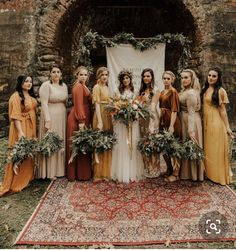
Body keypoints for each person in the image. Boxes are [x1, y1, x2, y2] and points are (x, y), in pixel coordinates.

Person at [0, 75, 37, 196]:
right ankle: (15, 182)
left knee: (28, 151)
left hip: (30, 126)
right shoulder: (15, 97)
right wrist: (20, 131)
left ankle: (26, 178)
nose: (29, 83)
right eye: (26, 81)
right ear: (20, 83)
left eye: (30, 81)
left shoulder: (29, 95)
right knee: (18, 152)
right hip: (20, 127)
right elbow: (15, 115)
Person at [201, 67, 234, 185]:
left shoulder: (220, 91)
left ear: (218, 78)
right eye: (209, 75)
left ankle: (218, 176)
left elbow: (223, 111)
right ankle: (209, 173)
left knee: (217, 150)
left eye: (214, 76)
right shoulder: (204, 89)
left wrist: (228, 127)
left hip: (216, 124)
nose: (211, 78)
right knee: (208, 150)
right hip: (206, 123)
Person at [111, 70, 144, 183]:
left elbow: (138, 105)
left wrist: (134, 111)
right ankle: (122, 172)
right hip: (121, 122)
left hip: (132, 121)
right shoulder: (117, 92)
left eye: (127, 78)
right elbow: (114, 107)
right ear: (121, 80)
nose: (126, 80)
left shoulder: (135, 91)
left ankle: (132, 172)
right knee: (122, 144)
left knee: (132, 144)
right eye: (124, 78)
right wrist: (120, 112)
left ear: (130, 79)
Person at [37, 65, 68, 180]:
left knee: (60, 140)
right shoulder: (46, 85)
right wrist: (47, 120)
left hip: (61, 115)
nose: (56, 74)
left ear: (61, 74)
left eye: (58, 72)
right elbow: (44, 103)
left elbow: (65, 102)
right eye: (53, 72)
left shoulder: (64, 86)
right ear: (50, 74)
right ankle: (50, 172)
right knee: (51, 140)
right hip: (50, 114)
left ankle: (60, 170)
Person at [66, 66, 92, 181]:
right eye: (81, 74)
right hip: (78, 118)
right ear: (77, 75)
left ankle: (83, 173)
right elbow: (78, 105)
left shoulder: (83, 85)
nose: (83, 77)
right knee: (78, 143)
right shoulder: (78, 87)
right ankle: (77, 174)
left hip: (84, 116)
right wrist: (81, 121)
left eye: (85, 75)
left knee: (83, 144)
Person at [179, 69, 204, 181]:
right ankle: (186, 172)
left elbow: (192, 112)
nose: (183, 80)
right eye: (182, 77)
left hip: (191, 121)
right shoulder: (185, 90)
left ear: (191, 79)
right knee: (185, 145)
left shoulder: (191, 93)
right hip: (184, 119)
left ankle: (194, 174)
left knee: (191, 146)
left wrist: (191, 130)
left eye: (186, 78)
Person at [159, 71, 182, 182]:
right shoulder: (162, 92)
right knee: (164, 146)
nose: (166, 80)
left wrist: (172, 126)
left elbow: (174, 110)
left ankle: (176, 172)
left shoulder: (173, 91)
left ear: (172, 79)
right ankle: (169, 168)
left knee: (174, 146)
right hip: (163, 120)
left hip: (172, 120)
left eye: (168, 78)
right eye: (164, 78)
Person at [138, 68, 160, 178]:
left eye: (148, 76)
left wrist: (152, 123)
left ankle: (154, 169)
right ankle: (146, 167)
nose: (146, 78)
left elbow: (153, 107)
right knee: (144, 142)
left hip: (152, 117)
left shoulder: (155, 90)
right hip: (142, 119)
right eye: (144, 76)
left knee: (152, 142)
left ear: (152, 77)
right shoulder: (142, 90)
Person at [92, 67, 113, 180]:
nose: (105, 77)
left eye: (106, 75)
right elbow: (96, 104)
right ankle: (98, 173)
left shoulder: (107, 87)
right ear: (98, 76)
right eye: (102, 75)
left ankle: (106, 172)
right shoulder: (97, 87)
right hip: (100, 114)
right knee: (99, 141)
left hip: (108, 115)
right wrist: (100, 120)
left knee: (107, 141)